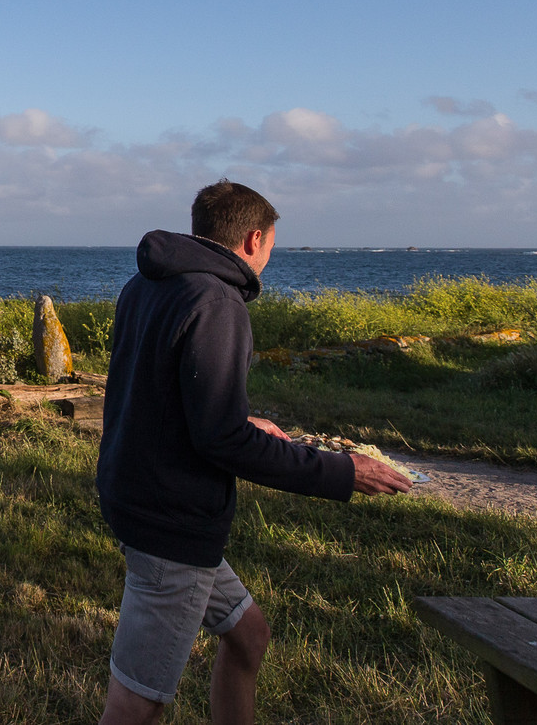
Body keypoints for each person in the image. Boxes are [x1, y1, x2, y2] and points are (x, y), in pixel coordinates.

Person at [95, 180, 412, 724]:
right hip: (172, 521)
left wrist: (236, 417)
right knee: (138, 705)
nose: (268, 258)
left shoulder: (146, 285)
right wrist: (342, 472)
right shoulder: (216, 301)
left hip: (136, 495)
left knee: (249, 636)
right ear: (253, 238)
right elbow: (221, 442)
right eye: (270, 246)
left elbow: (156, 395)